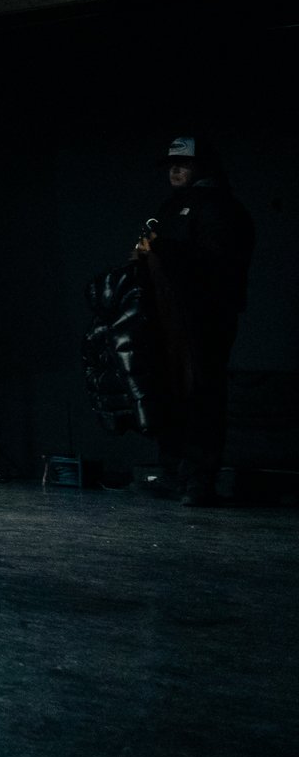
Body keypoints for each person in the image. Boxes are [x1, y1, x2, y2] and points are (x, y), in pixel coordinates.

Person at [135, 134, 255, 506]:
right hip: (169, 321)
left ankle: (198, 480)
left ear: (203, 167)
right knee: (170, 392)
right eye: (171, 163)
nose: (174, 170)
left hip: (205, 320)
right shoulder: (174, 206)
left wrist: (162, 249)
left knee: (202, 393)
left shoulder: (220, 209)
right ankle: (175, 473)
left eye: (183, 164)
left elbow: (217, 264)